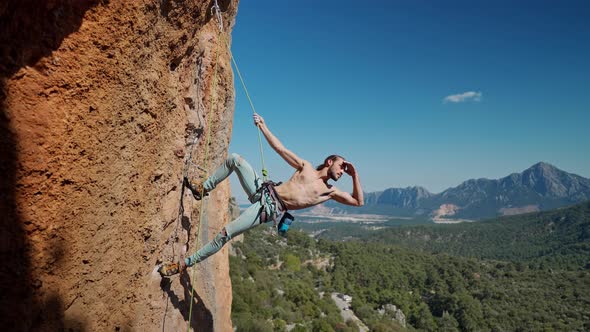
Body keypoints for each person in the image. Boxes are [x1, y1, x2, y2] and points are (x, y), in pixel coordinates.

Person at [158, 113, 363, 276]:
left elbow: (358, 202)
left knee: (225, 233)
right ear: (329, 162)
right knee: (235, 159)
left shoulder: (330, 191)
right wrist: (263, 125)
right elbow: (280, 148)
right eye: (342, 166)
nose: (343, 171)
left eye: (345, 169)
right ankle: (204, 188)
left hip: (266, 208)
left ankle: (184, 264)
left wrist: (355, 175)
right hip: (264, 189)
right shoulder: (306, 167)